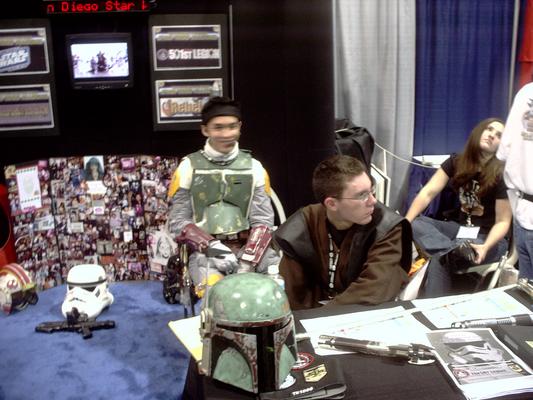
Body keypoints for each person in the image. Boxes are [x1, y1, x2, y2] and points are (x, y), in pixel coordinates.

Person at [167, 96, 278, 293]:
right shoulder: (187, 168)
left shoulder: (255, 168)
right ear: (205, 130)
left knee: (272, 290)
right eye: (218, 128)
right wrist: (213, 248)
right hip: (204, 253)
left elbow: (263, 221)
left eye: (232, 127)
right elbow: (178, 222)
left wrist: (248, 261)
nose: (226, 134)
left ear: (240, 127)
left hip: (249, 249)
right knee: (217, 296)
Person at [273, 155, 412, 310]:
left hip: (362, 314)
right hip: (315, 314)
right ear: (332, 204)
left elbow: (374, 289)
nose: (373, 201)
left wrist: (322, 316)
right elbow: (292, 292)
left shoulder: (386, 226)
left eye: (372, 190)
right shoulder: (303, 226)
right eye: (362, 195)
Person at [405, 118, 512, 297]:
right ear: (479, 131)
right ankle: (451, 250)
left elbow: (503, 222)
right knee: (415, 223)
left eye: (499, 135)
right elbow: (428, 193)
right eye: (489, 129)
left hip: (488, 238)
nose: (492, 135)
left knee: (441, 259)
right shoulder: (456, 161)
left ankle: (434, 303)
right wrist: (405, 222)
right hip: (459, 230)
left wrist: (485, 247)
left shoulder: (503, 175)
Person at [497, 83, 533, 279]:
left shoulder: (526, 91)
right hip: (522, 210)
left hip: (522, 207)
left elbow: (504, 151)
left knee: (526, 288)